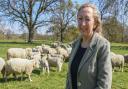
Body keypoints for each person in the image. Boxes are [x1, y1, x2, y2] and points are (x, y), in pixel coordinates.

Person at [66, 3, 112, 89]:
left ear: (95, 23)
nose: (83, 23)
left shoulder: (102, 45)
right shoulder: (75, 44)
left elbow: (104, 85)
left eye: (87, 19)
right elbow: (69, 77)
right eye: (80, 19)